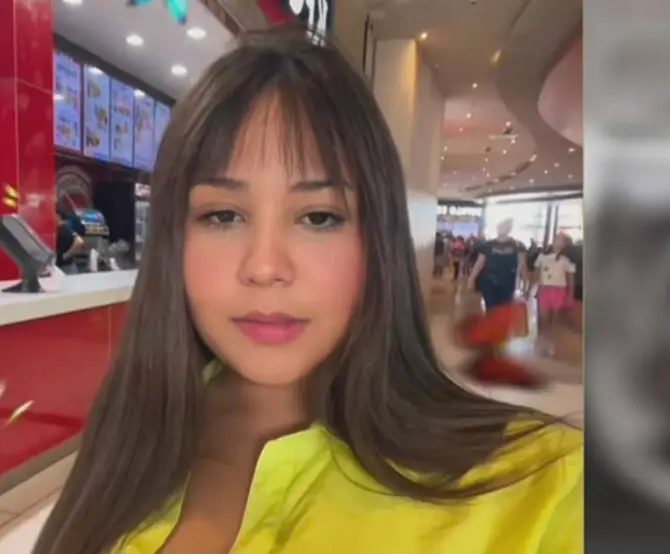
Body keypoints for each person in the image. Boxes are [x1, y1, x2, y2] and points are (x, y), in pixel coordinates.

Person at [34, 28, 581, 554]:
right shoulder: (136, 427)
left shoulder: (546, 486)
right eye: (223, 215)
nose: (265, 267)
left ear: (377, 241)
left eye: (318, 217)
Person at [529, 233, 576, 356]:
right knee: (543, 316)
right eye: (556, 239)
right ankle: (543, 338)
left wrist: (570, 295)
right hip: (545, 289)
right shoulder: (542, 257)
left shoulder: (566, 260)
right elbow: (537, 273)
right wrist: (534, 288)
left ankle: (551, 340)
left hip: (559, 291)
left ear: (565, 244)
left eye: (561, 240)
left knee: (555, 317)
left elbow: (570, 278)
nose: (557, 241)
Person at [468, 219, 527, 312]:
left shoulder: (518, 246)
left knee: (503, 310)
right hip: (488, 282)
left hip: (508, 283)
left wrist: (525, 283)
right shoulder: (488, 245)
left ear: (509, 229)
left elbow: (523, 266)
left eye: (504, 227)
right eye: (500, 227)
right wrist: (471, 279)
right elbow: (479, 263)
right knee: (491, 309)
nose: (501, 229)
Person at [55, 207, 85, 274]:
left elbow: (79, 242)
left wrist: (65, 255)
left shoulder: (63, 229)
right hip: (64, 266)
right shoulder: (61, 229)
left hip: (66, 267)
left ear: (58, 216)